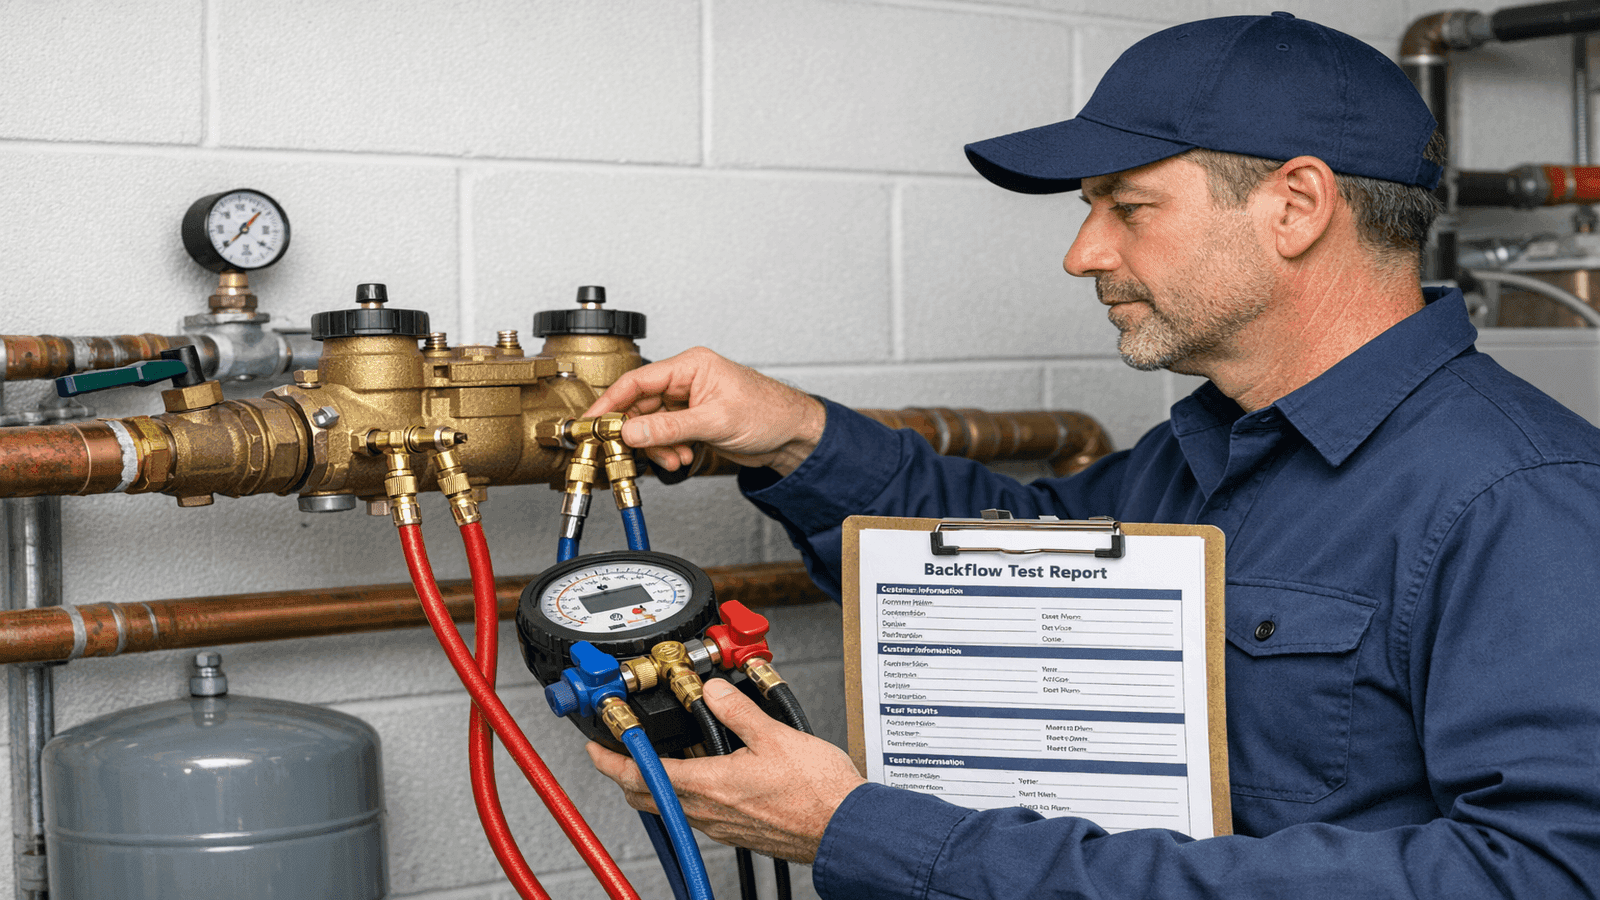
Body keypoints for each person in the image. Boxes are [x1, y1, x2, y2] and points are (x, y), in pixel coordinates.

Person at [586, 12, 1600, 898]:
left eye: (1128, 206)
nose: (1084, 254)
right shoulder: (1201, 451)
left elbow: (1540, 875)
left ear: (1296, 205)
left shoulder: (1521, 500)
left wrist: (874, 834)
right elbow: (1009, 556)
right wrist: (799, 433)